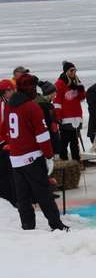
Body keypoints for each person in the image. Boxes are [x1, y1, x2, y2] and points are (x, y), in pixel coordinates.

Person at [3, 74, 68, 231]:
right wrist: (48, 154)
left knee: (23, 196)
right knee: (43, 193)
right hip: (32, 157)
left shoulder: (9, 106)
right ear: (30, 88)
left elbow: (7, 130)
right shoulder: (32, 107)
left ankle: (27, 225)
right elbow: (42, 135)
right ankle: (56, 225)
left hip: (16, 159)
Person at [54, 61, 86, 162]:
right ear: (66, 71)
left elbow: (81, 98)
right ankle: (64, 161)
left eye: (75, 70)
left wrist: (81, 88)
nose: (73, 72)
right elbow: (57, 101)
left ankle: (76, 161)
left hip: (76, 116)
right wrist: (58, 116)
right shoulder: (59, 83)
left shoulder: (76, 82)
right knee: (64, 141)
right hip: (66, 117)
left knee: (74, 141)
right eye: (71, 70)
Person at [0, 79, 16, 206]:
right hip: (4, 144)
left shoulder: (8, 103)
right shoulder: (4, 105)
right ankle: (10, 201)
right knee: (7, 176)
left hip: (8, 142)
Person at [35, 81, 61, 156]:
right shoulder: (48, 107)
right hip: (49, 139)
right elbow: (52, 126)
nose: (56, 94)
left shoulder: (37, 104)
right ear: (50, 93)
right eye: (55, 92)